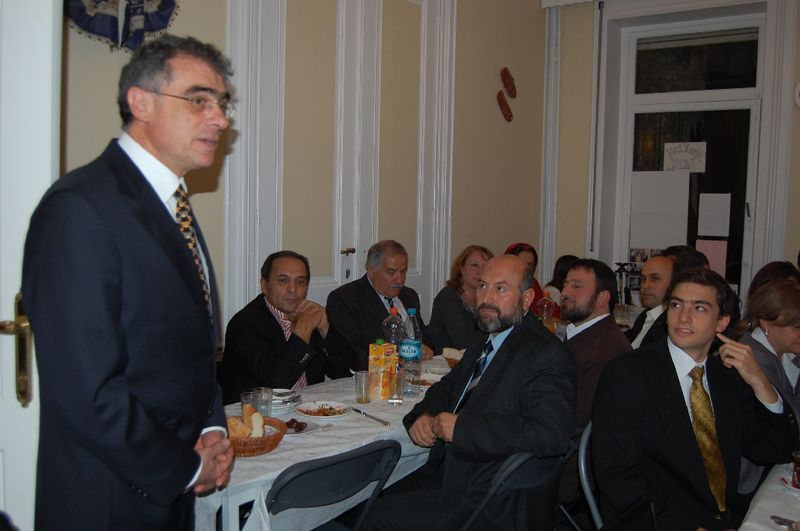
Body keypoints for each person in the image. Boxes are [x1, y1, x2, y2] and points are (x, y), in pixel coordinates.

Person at [21, 36, 235, 530]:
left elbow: (190, 345)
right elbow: (87, 392)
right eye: (199, 100)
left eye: (222, 104)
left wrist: (211, 428)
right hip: (110, 496)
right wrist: (185, 468)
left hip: (171, 484)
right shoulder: (80, 208)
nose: (220, 119)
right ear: (141, 102)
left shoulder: (173, 204)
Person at [363, 255, 576, 530]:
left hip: (493, 497)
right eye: (482, 286)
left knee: (371, 518)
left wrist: (463, 429)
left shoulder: (546, 354)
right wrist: (424, 414)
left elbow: (550, 435)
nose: (486, 298)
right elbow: (449, 386)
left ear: (526, 300)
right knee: (364, 498)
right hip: (456, 473)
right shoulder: (487, 338)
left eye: (500, 288)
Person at [592, 268, 799, 529]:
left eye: (699, 308)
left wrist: (760, 381)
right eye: (676, 305)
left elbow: (776, 449)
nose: (683, 317)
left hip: (724, 518)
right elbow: (616, 475)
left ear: (721, 322)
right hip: (659, 522)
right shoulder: (628, 374)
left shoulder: (727, 378)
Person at [219, 251, 356, 404]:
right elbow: (277, 384)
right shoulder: (245, 324)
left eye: (300, 282)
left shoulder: (309, 314)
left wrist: (325, 328)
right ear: (264, 285)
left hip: (308, 407)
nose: (293, 289)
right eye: (283, 281)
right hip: (256, 412)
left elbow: (346, 373)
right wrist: (303, 330)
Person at [558, 259, 632, 501]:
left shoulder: (604, 351)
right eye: (566, 284)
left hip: (566, 472)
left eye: (577, 286)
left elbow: (570, 422)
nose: (565, 292)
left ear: (602, 298)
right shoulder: (590, 336)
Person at [326, 240, 433, 370]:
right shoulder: (345, 299)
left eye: (403, 271)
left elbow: (423, 335)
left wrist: (427, 348)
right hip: (373, 376)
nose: (400, 280)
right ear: (371, 270)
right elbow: (349, 355)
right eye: (391, 272)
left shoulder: (409, 296)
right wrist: (395, 357)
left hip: (413, 372)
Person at [736, 278, 800, 493]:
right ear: (765, 322)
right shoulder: (752, 359)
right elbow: (792, 425)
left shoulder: (785, 354)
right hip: (750, 478)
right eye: (797, 326)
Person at [427, 244, 492, 353]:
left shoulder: (488, 298)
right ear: (461, 268)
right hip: (446, 360)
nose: (480, 271)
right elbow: (462, 342)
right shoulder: (448, 297)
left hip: (476, 356)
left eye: (485, 267)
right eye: (474, 265)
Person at [625, 254, 674, 348]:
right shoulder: (645, 315)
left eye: (654, 278)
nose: (646, 285)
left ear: (673, 283)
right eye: (643, 279)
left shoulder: (670, 325)